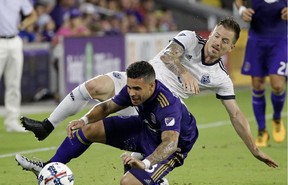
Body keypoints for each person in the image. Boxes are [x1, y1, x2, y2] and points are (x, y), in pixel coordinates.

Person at [21, 17, 277, 167]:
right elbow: (168, 56)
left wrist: (253, 148)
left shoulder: (221, 78)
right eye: (216, 36)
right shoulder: (189, 37)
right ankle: (47, 125)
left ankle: (142, 162)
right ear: (210, 33)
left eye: (224, 41)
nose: (217, 43)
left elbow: (235, 114)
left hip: (159, 103)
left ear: (231, 47)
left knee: (130, 136)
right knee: (94, 87)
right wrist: (184, 72)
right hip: (140, 82)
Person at [16, 60, 200, 185]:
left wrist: (144, 163)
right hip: (146, 128)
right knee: (88, 130)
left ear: (151, 86)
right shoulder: (133, 89)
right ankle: (50, 167)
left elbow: (170, 143)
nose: (132, 93)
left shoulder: (168, 105)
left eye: (137, 89)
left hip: (172, 147)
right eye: (129, 87)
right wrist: (84, 120)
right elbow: (107, 107)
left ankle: (157, 183)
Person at [234, 0, 287, 147]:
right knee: (257, 84)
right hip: (256, 40)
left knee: (277, 85)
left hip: (280, 40)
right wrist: (242, 10)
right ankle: (262, 130)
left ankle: (276, 118)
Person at [0, 0, 37, 132]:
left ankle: (12, 121)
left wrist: (22, 24)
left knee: (13, 83)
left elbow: (32, 14)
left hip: (14, 40)